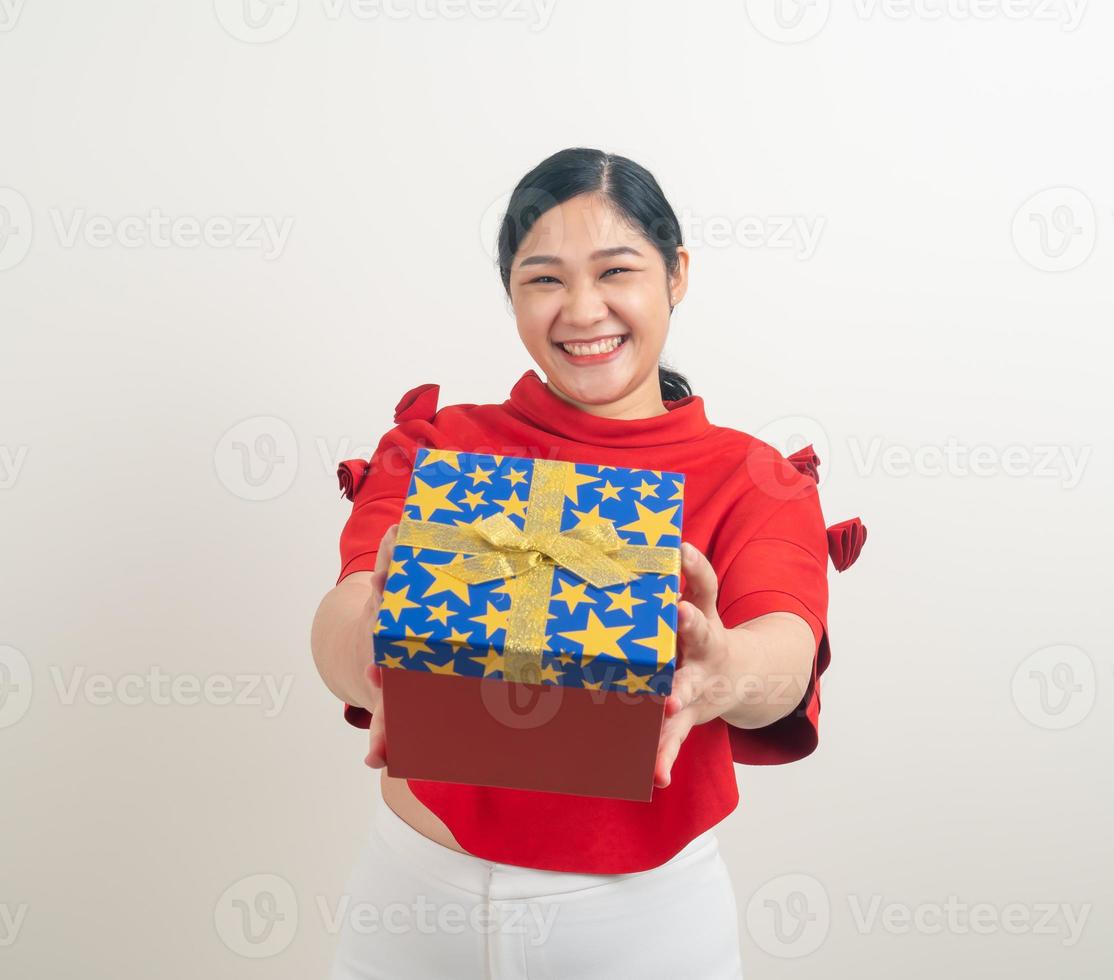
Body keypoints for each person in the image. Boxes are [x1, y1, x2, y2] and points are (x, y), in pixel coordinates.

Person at [310, 147, 864, 979]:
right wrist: (373, 656)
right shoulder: (442, 448)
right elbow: (345, 611)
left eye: (617, 271)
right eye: (543, 280)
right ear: (511, 294)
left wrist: (721, 667)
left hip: (641, 928)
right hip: (412, 904)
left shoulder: (751, 476)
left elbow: (782, 648)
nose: (582, 309)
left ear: (676, 274)